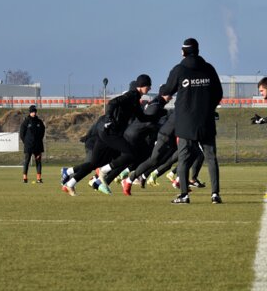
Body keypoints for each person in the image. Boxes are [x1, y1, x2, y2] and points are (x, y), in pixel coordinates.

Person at [60, 74, 156, 196]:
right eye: (149, 86)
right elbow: (111, 103)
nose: (150, 89)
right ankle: (104, 171)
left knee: (93, 164)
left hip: (106, 133)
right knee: (131, 154)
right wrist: (109, 119)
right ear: (142, 86)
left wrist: (157, 116)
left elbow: (142, 118)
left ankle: (70, 184)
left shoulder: (135, 100)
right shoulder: (131, 95)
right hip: (111, 133)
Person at [161, 38, 223, 204]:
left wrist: (163, 90)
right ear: (197, 50)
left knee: (184, 158)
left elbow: (167, 90)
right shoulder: (209, 68)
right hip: (206, 120)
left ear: (183, 52)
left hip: (186, 122)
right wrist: (209, 108)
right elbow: (219, 93)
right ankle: (215, 194)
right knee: (211, 157)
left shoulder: (179, 70)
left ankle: (184, 195)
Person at [19, 104, 45, 183]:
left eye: (35, 112)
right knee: (26, 161)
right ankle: (25, 178)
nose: (34, 113)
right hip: (29, 146)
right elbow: (22, 134)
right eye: (32, 112)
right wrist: (25, 142)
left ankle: (39, 178)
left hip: (37, 146)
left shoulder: (39, 122)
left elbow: (42, 132)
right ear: (30, 112)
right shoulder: (26, 122)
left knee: (38, 162)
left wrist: (39, 140)